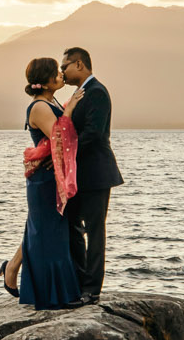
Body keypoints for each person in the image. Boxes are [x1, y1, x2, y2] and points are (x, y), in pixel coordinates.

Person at [13, 56, 83, 310]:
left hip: (48, 176)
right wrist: (71, 108)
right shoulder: (39, 107)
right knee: (48, 234)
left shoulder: (49, 102)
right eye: (57, 72)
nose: (61, 75)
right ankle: (52, 296)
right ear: (47, 79)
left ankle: (51, 289)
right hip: (44, 180)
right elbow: (60, 136)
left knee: (50, 231)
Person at [59, 46, 123, 300]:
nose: (61, 72)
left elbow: (94, 134)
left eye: (64, 66)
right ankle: (77, 281)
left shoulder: (97, 92)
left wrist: (66, 154)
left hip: (96, 172)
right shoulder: (79, 94)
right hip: (77, 174)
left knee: (95, 231)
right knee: (72, 227)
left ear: (78, 64)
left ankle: (92, 289)